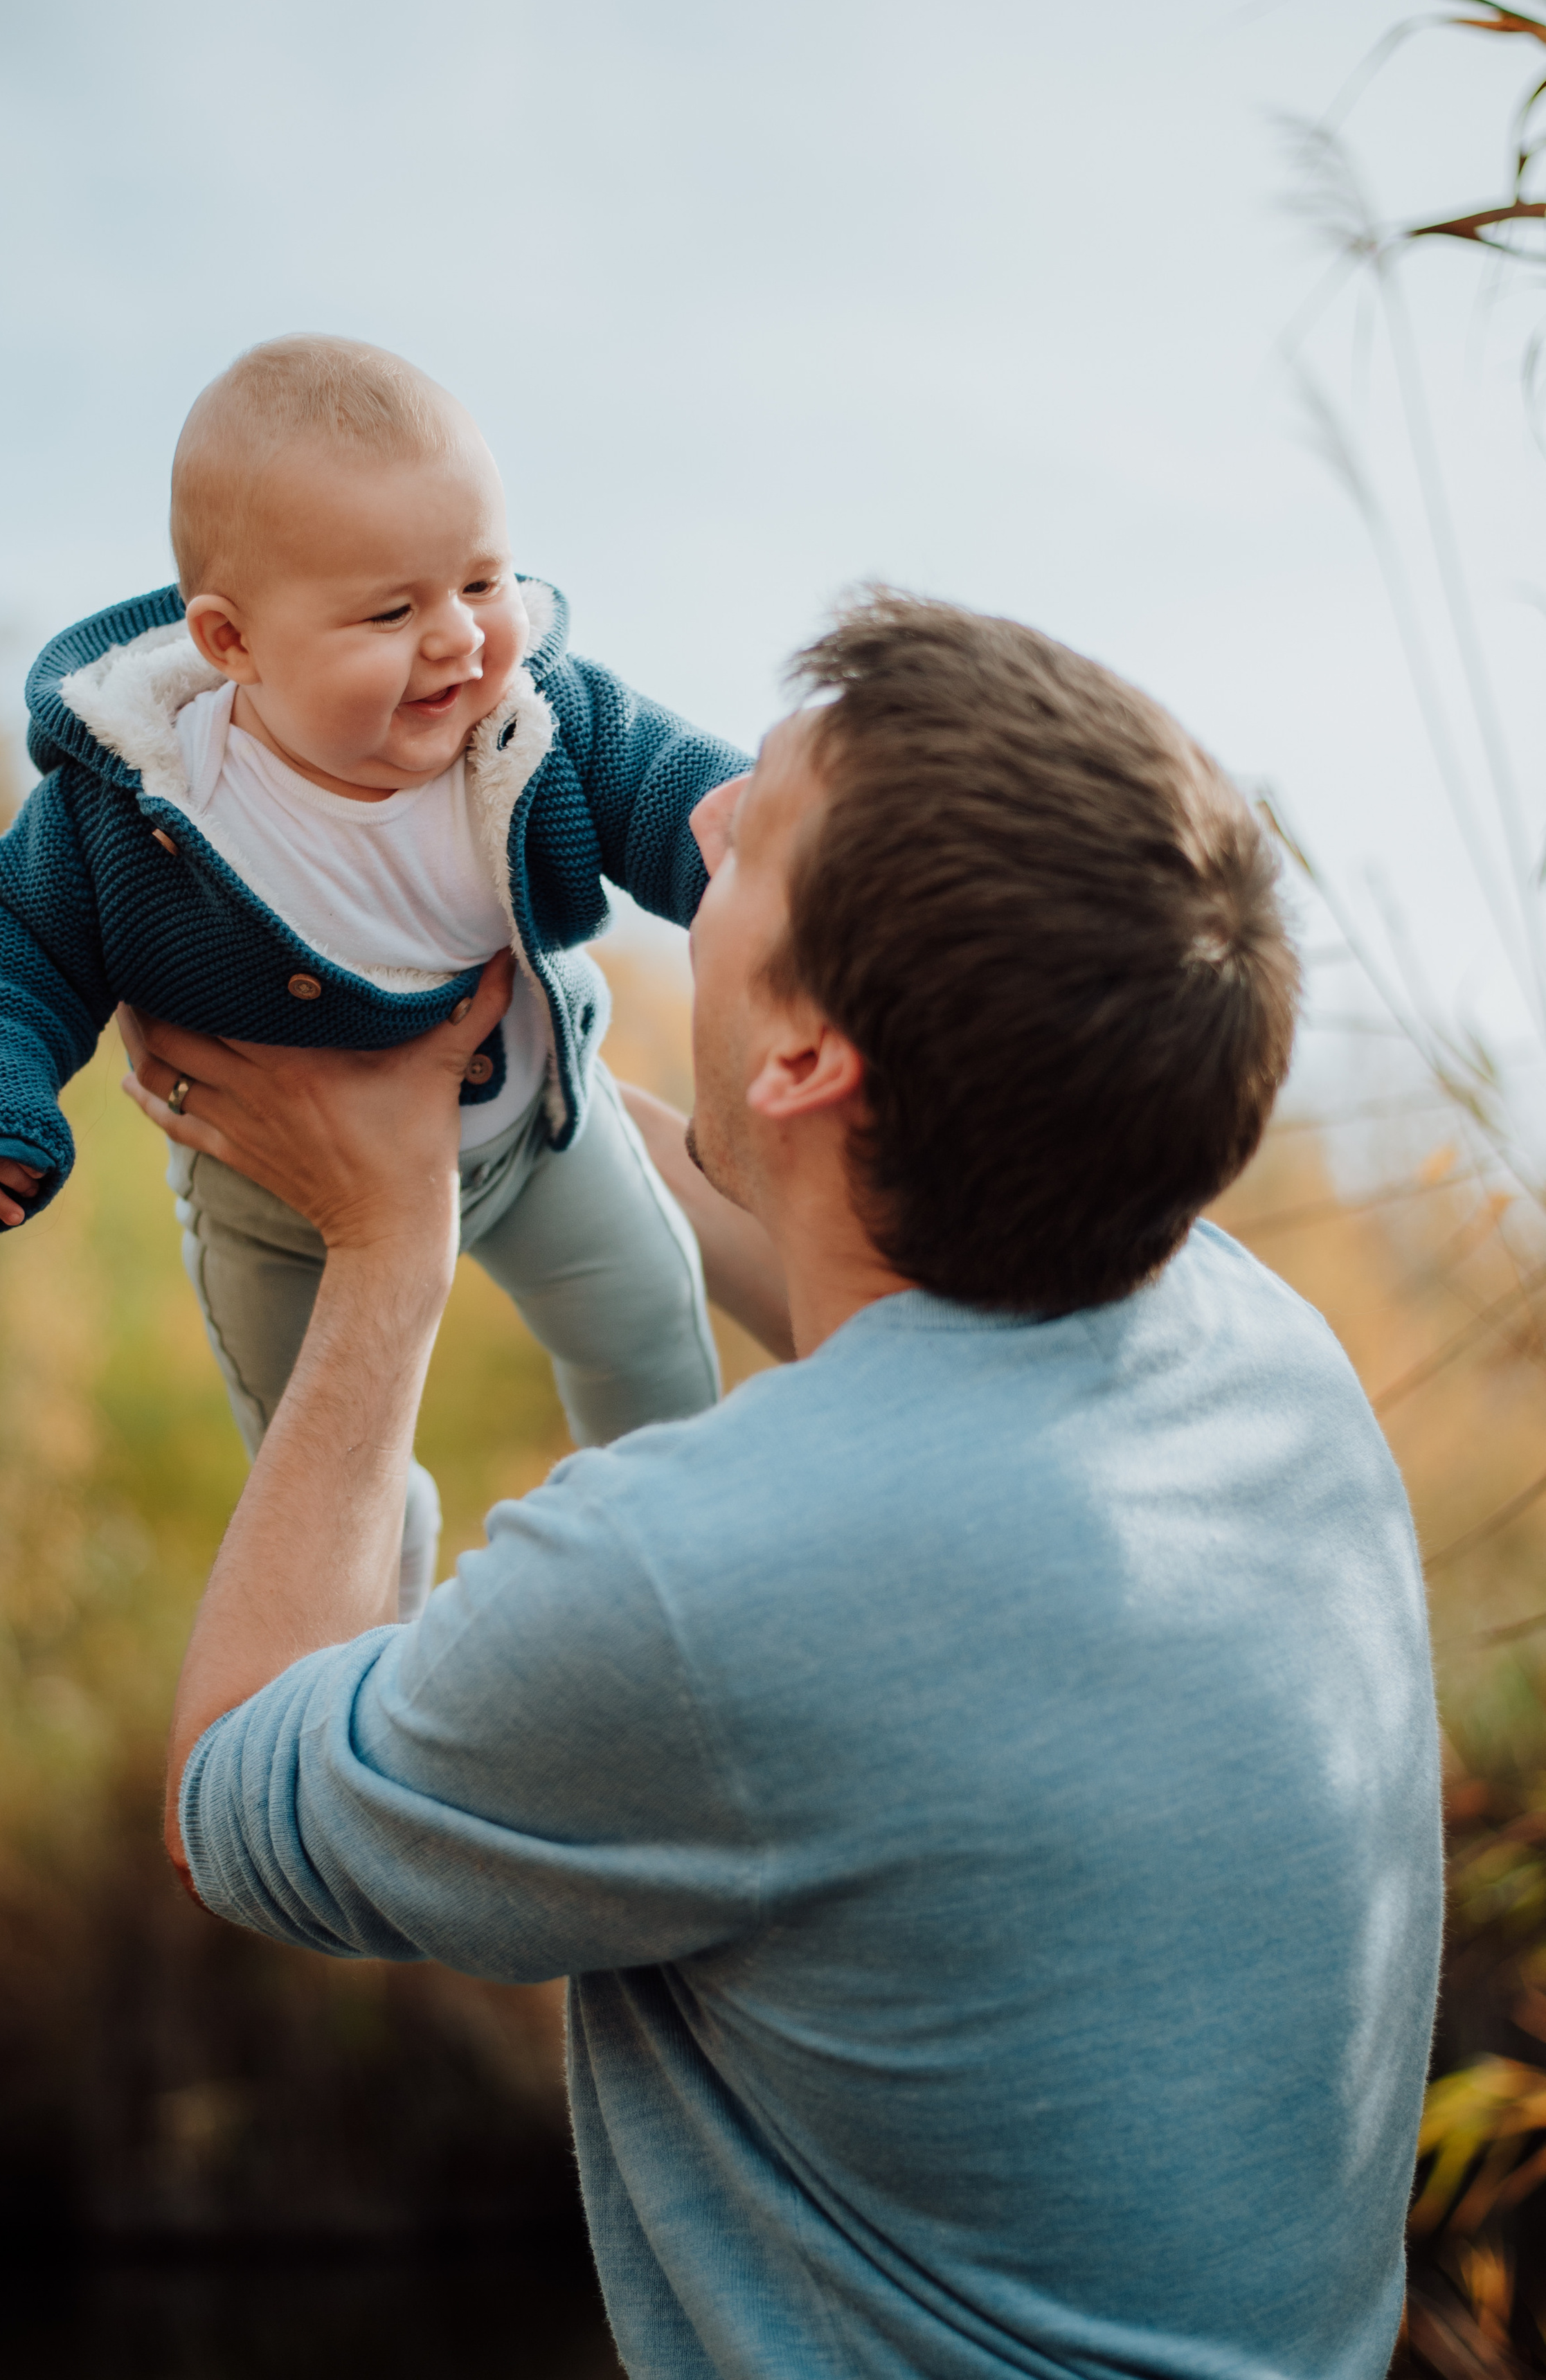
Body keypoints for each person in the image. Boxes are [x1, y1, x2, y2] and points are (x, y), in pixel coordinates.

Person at [121, 591, 1442, 2380]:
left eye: (759, 833)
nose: (708, 812)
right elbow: (842, 1246)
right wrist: (498, 1078)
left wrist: (382, 1251)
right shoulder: (1260, 1359)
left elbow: (227, 1792)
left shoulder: (691, 1587)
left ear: (813, 1061)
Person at [0, 335, 748, 1611]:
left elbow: (677, 796)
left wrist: (776, 854)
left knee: (645, 1338)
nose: (459, 637)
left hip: (539, 1130)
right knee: (321, 1461)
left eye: (483, 578)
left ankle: (682, 1564)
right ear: (233, 642)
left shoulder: (535, 723)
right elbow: (5, 942)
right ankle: (367, 1626)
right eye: (391, 612)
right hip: (274, 1204)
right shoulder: (143, 801)